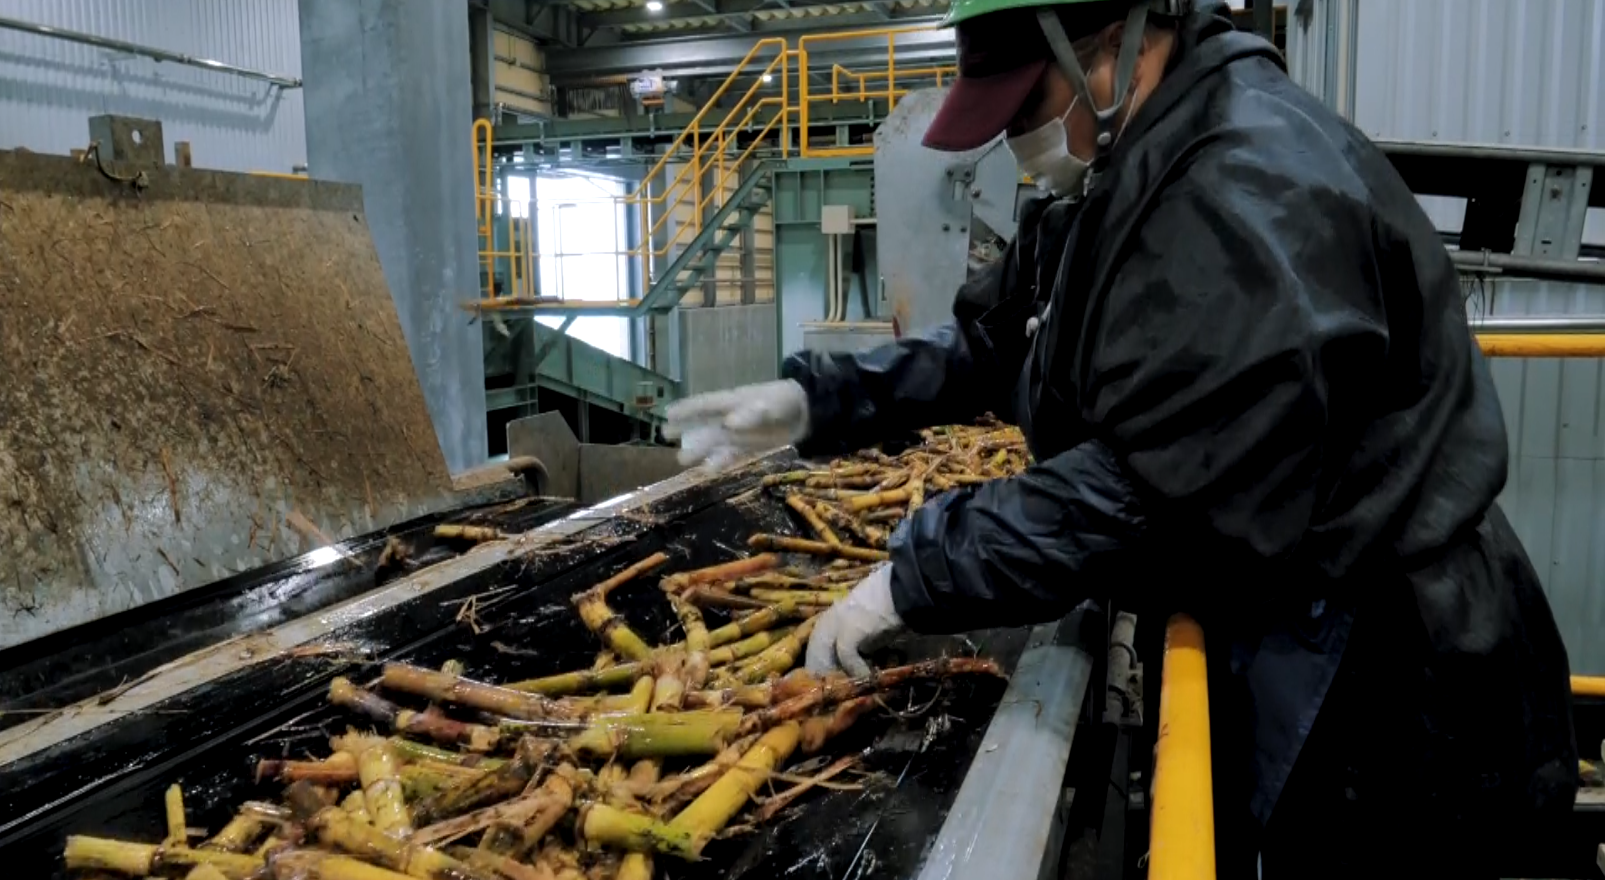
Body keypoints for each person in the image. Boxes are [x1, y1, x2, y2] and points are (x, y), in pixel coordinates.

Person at [664, 1, 1578, 876]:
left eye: (1026, 105)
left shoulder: (1242, 185)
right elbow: (999, 341)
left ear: (1115, 41)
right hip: (1288, 610)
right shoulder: (1126, 167)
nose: (1018, 138)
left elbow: (1156, 484)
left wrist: (917, 572)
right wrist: (818, 400)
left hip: (1384, 680)